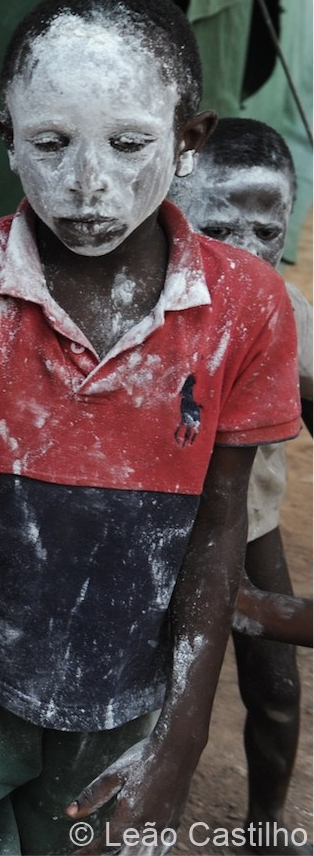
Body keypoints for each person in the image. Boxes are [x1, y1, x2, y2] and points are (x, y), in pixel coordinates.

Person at [0, 0, 302, 856]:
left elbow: (217, 536)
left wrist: (179, 744)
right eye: (51, 143)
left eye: (130, 144)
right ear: (6, 140)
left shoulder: (246, 306)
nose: (88, 184)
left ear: (189, 141)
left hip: (125, 702)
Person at [169, 117, 313, 846]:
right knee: (158, 690)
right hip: (147, 527)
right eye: (220, 226)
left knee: (277, 685)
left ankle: (264, 827)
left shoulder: (288, 313)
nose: (247, 250)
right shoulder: (142, 301)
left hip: (248, 527)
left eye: (268, 229)